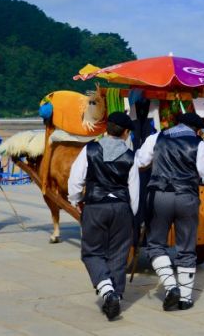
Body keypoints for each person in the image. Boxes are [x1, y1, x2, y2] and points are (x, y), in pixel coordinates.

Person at [136, 112, 204, 311]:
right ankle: (185, 298)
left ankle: (170, 286)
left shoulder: (156, 137)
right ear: (197, 129)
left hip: (159, 197)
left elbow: (140, 162)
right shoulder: (199, 144)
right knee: (186, 248)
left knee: (155, 245)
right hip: (187, 198)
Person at [68, 112, 139, 321]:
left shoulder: (89, 149)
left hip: (95, 206)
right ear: (126, 133)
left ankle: (107, 291)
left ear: (107, 129)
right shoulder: (130, 156)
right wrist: (131, 215)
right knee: (118, 253)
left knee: (91, 252)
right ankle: (115, 295)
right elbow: (134, 191)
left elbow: (75, 179)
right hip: (121, 208)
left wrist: (75, 200)